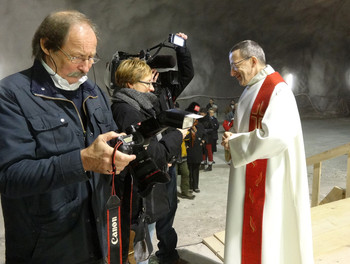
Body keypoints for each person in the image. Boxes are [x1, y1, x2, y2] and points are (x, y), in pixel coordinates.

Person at [0, 10, 136, 264]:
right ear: (47, 46)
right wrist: (82, 161)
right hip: (47, 248)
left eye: (91, 57)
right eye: (76, 57)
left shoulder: (94, 93)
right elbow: (9, 177)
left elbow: (112, 145)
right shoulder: (10, 95)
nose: (85, 67)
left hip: (98, 237)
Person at [221, 40, 314, 264]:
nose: (232, 72)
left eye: (236, 65)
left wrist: (235, 142)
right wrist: (231, 137)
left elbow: (276, 136)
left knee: (269, 235)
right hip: (249, 172)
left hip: (270, 177)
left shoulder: (277, 90)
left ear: (253, 61)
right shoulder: (251, 88)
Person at [112, 31, 194, 264]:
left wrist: (182, 49)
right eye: (148, 81)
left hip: (165, 163)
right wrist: (177, 136)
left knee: (165, 212)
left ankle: (167, 253)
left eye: (153, 81)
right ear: (131, 82)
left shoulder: (159, 93)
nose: (153, 85)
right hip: (148, 173)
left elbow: (187, 74)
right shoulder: (130, 108)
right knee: (143, 232)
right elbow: (147, 149)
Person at [185, 102, 206, 193]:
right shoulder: (187, 126)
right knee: (189, 169)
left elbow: (204, 135)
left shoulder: (200, 126)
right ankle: (190, 186)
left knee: (196, 169)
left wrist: (202, 141)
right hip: (189, 150)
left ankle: (195, 186)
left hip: (197, 150)